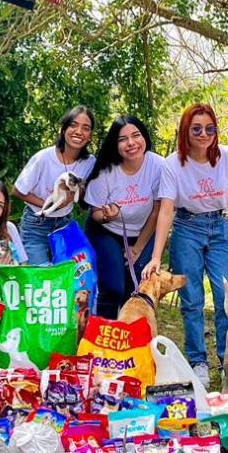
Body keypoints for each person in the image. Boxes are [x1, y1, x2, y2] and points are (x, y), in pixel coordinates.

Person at [142, 104, 228, 391]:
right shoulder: (172, 163)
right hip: (187, 228)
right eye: (197, 129)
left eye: (210, 129)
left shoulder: (226, 156)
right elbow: (166, 209)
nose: (204, 134)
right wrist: (155, 257)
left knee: (226, 295)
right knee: (191, 299)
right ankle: (198, 363)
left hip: (221, 228)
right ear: (186, 132)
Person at [83, 116, 171, 318]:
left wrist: (138, 248)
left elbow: (158, 210)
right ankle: (103, 332)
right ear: (115, 145)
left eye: (136, 135)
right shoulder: (105, 170)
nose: (131, 143)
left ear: (144, 137)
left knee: (136, 284)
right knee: (114, 285)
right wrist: (107, 217)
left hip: (144, 230)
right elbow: (95, 213)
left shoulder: (159, 165)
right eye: (123, 139)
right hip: (106, 230)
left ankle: (128, 333)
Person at [13, 106, 96, 265]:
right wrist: (47, 206)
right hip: (35, 223)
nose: (78, 131)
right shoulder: (43, 158)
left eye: (85, 128)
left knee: (76, 273)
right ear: (63, 129)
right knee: (41, 277)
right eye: (73, 125)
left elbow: (89, 194)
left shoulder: (90, 162)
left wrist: (76, 193)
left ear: (90, 136)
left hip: (65, 222)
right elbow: (17, 190)